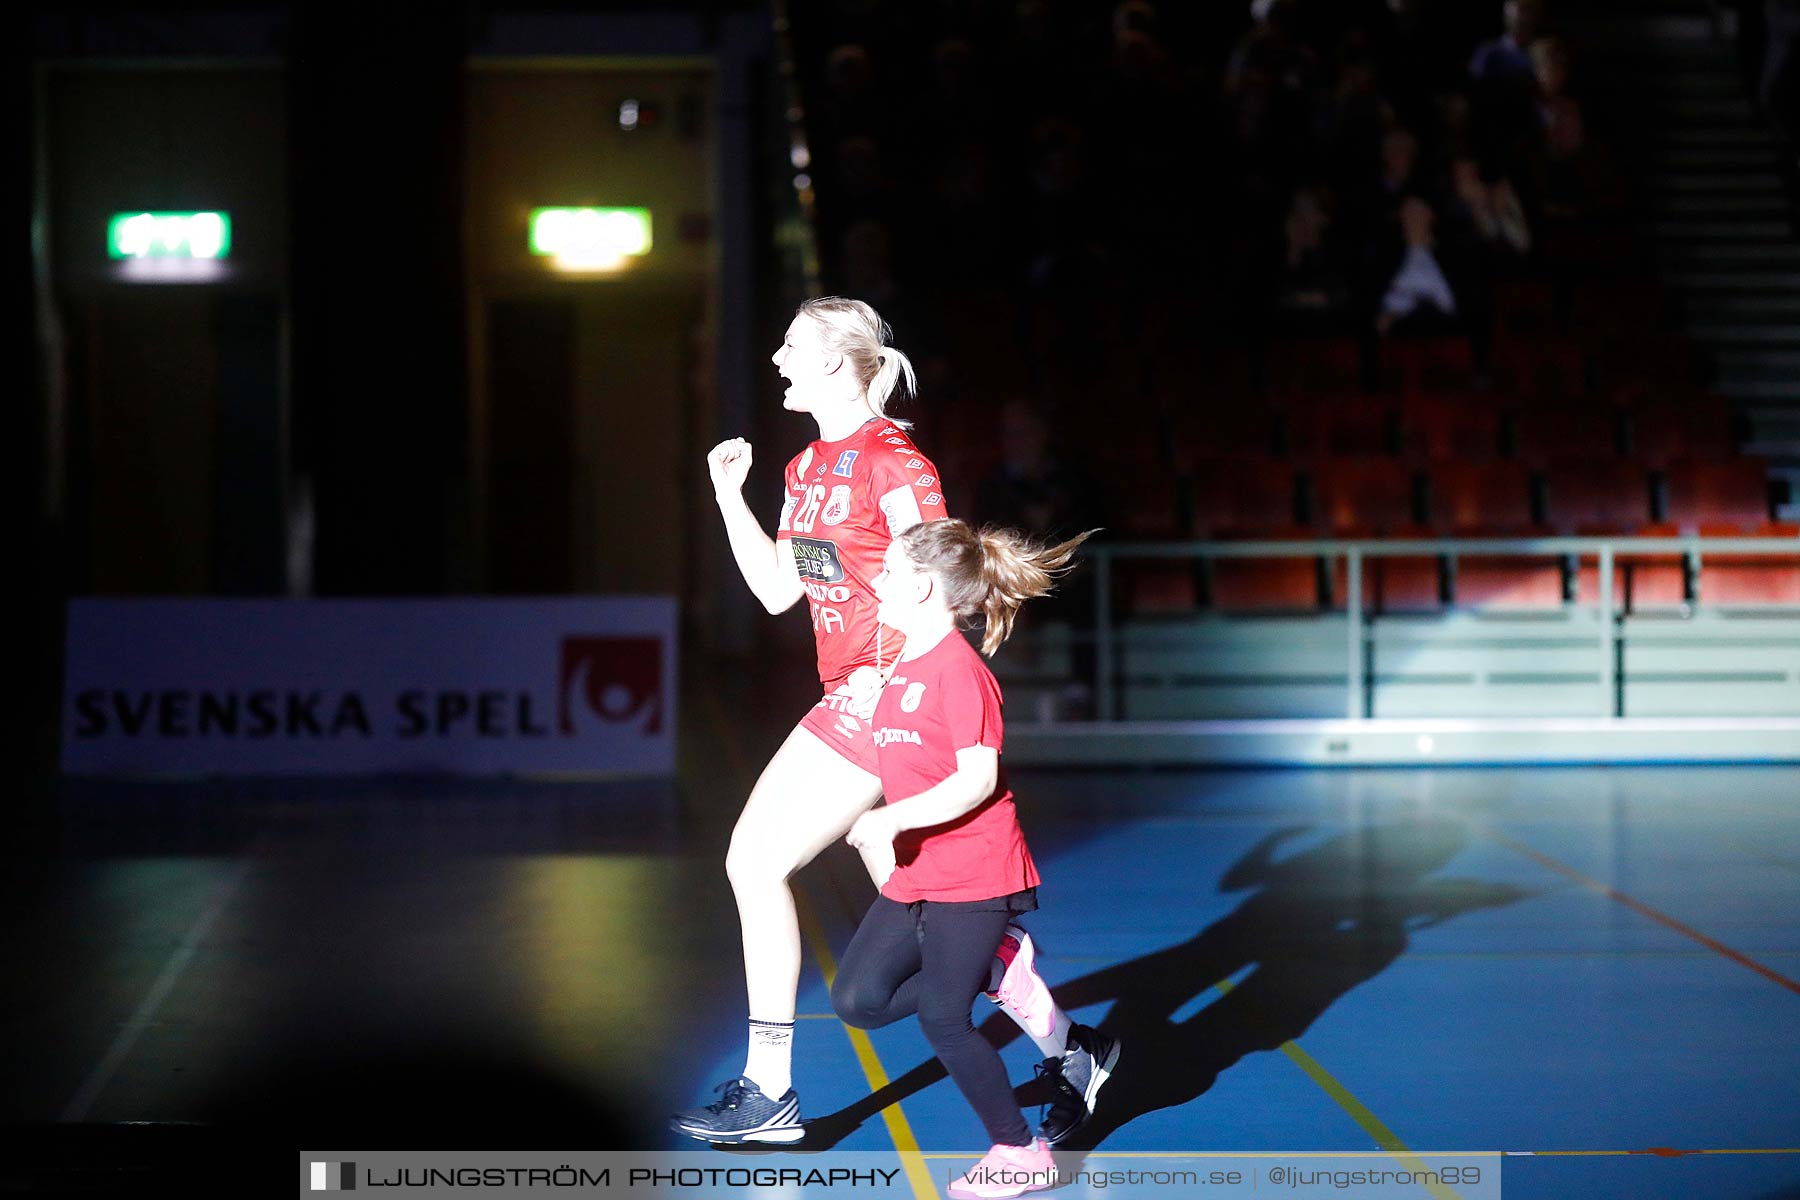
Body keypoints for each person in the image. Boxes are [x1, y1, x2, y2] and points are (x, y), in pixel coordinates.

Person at [673, 298, 1096, 1145]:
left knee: (757, 863)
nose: (778, 362)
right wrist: (728, 496)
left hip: (889, 699)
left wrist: (894, 682)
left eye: (791, 347)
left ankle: (769, 1089)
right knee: (818, 883)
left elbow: (938, 584)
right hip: (843, 696)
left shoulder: (894, 462)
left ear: (836, 363)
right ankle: (1063, 1040)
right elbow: (776, 591)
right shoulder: (803, 470)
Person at [831, 520, 1119, 1198]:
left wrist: (889, 819)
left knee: (942, 1015)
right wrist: (872, 704)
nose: (881, 582)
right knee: (858, 1000)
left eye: (894, 573)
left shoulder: (963, 673)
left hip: (975, 874)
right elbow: (910, 749)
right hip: (917, 872)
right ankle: (995, 959)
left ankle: (1021, 1153)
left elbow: (976, 781)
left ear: (925, 587)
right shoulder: (904, 663)